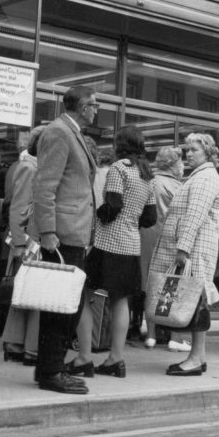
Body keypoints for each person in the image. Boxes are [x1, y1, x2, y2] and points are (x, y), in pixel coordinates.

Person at [26, 87, 101, 394]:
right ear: (81, 107)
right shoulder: (59, 133)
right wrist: (47, 233)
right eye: (93, 104)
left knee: (68, 305)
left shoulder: (73, 133)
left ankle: (51, 368)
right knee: (60, 307)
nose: (96, 109)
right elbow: (44, 186)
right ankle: (51, 372)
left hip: (74, 232)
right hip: (61, 236)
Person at [70, 125, 155, 379]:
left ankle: (84, 357)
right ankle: (116, 360)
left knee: (83, 295)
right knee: (120, 300)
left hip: (108, 243)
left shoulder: (120, 168)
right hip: (131, 246)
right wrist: (132, 218)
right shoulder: (146, 174)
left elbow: (113, 204)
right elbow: (150, 217)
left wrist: (97, 214)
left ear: (120, 145)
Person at [146, 132, 219, 376]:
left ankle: (194, 358)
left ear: (208, 152)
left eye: (195, 150)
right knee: (194, 300)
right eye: (187, 150)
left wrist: (183, 249)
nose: (189, 154)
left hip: (194, 251)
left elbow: (195, 215)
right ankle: (197, 357)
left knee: (194, 302)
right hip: (195, 249)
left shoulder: (204, 178)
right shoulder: (200, 176)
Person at [0, 126, 42, 365]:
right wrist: (18, 243)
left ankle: (16, 343)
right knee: (31, 294)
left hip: (27, 239)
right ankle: (27, 347)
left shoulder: (30, 166)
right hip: (28, 241)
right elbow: (18, 207)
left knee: (25, 293)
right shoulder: (29, 168)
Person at [140, 145, 183, 349]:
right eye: (180, 163)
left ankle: (151, 334)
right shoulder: (177, 186)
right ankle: (174, 336)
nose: (182, 167)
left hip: (145, 236)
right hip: (168, 239)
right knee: (170, 286)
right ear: (173, 165)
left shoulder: (149, 181)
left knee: (150, 284)